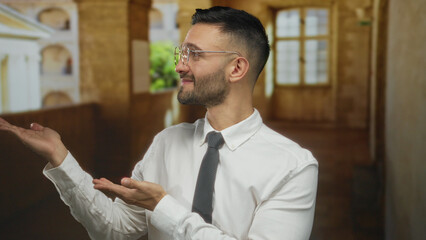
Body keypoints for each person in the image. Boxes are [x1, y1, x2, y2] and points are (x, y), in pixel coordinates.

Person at [0, 6, 318, 240]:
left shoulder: (293, 166)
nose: (179, 65)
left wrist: (163, 207)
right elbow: (114, 230)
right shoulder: (167, 141)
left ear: (236, 68)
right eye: (182, 52)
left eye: (194, 54)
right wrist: (60, 157)